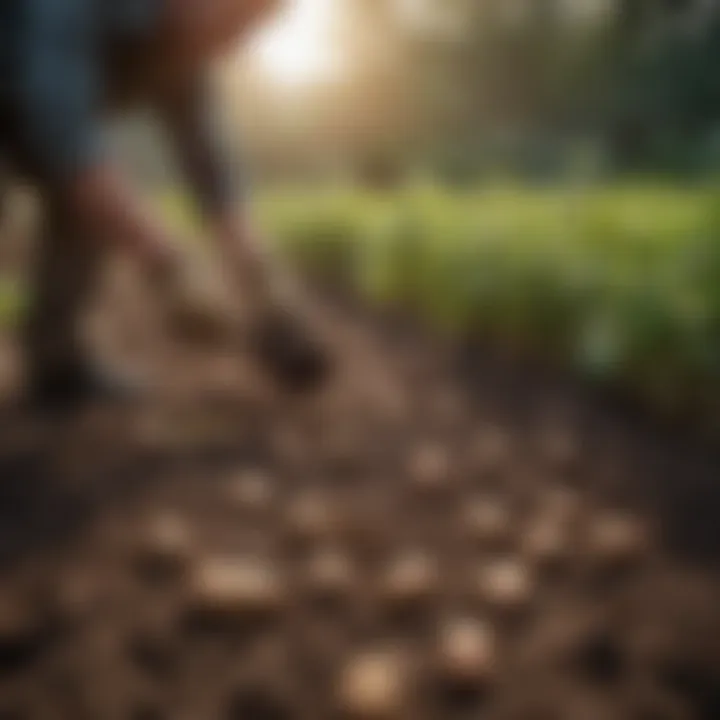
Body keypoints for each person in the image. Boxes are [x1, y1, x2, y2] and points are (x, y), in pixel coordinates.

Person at [0, 0, 330, 412]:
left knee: (91, 212)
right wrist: (171, 266)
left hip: (28, 102)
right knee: (95, 193)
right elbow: (68, 150)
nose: (230, 46)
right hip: (19, 72)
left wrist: (265, 288)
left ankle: (57, 365)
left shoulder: (186, 50)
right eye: (231, 21)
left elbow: (214, 178)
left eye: (248, 31)